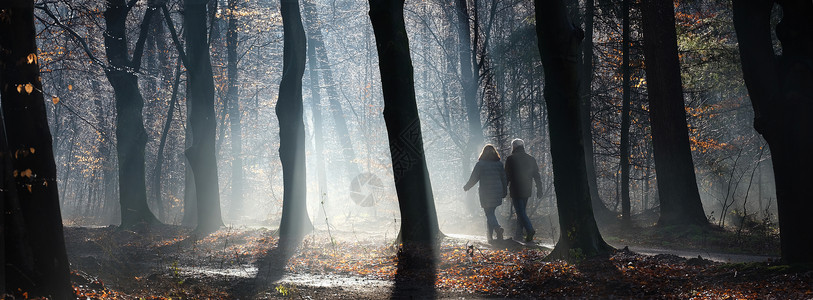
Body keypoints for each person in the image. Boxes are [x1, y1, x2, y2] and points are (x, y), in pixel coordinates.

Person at [463, 144, 507, 244]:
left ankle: (497, 228)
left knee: (489, 213)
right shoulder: (499, 164)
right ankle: (490, 237)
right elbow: (504, 178)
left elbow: (474, 178)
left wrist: (467, 187)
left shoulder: (480, 164)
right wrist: (504, 191)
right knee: (490, 213)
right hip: (497, 191)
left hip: (486, 192)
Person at [505, 138, 543, 243]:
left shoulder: (510, 159)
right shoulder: (531, 159)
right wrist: (539, 188)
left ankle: (530, 230)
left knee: (520, 212)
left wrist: (504, 189)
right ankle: (518, 235)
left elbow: (507, 177)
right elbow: (537, 175)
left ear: (514, 147)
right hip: (527, 189)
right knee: (521, 212)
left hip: (516, 189)